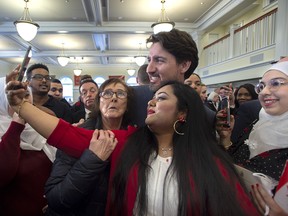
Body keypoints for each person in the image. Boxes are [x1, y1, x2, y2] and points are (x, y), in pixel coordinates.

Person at [6, 80, 258, 216]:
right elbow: (68, 135)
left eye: (161, 98)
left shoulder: (208, 161)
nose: (151, 101)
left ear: (182, 112)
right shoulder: (129, 141)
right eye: (152, 96)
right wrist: (23, 107)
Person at [45, 78, 134, 215]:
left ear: (127, 105)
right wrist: (93, 159)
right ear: (99, 102)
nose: (114, 98)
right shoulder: (78, 134)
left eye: (121, 94)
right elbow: (56, 199)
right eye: (107, 93)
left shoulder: (133, 139)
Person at [0, 66, 56, 216]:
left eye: (26, 96)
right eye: (15, 97)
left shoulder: (38, 129)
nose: (23, 101)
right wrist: (16, 125)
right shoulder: (3, 131)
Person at [220, 59, 288, 182]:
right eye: (261, 86)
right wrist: (226, 139)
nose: (264, 92)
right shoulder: (257, 123)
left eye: (276, 83)